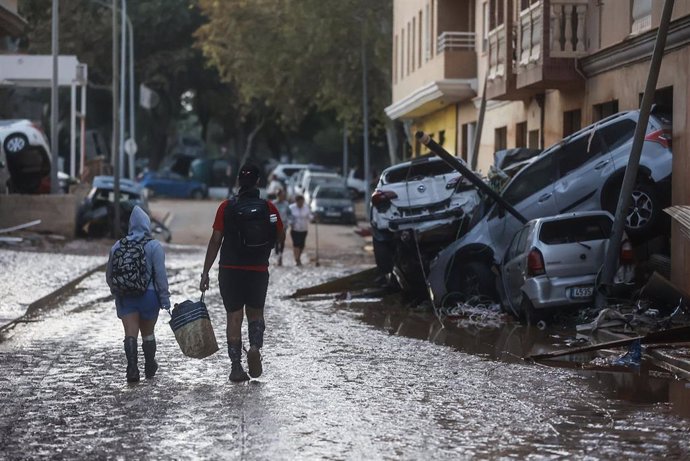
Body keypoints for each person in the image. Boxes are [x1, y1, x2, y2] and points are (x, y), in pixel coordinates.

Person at [200, 163, 285, 382]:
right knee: (255, 314)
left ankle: (236, 367)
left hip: (230, 270)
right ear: (258, 182)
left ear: (239, 182)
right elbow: (279, 231)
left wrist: (205, 272)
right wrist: (272, 247)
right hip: (257, 270)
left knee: (234, 317)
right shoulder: (269, 209)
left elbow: (216, 239)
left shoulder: (226, 207)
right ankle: (255, 346)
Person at [106, 206, 171, 383]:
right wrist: (165, 300)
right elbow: (161, 277)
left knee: (130, 333)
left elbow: (110, 274)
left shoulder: (118, 245)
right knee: (148, 333)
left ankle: (132, 368)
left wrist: (116, 291)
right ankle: (150, 364)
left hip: (126, 297)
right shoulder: (154, 246)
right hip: (149, 297)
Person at [288, 194, 312, 266]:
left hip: (304, 229)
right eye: (300, 202)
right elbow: (288, 217)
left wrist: (314, 218)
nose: (301, 203)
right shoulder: (291, 208)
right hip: (295, 229)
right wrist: (290, 223)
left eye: (302, 202)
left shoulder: (306, 208)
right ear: (297, 201)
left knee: (302, 245)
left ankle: (298, 257)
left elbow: (309, 216)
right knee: (296, 244)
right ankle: (297, 259)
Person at [270, 188, 290, 266]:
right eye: (280, 195)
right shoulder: (273, 203)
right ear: (277, 195)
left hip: (284, 225)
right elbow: (271, 213)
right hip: (275, 225)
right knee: (275, 241)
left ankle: (280, 256)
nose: (281, 197)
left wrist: (290, 221)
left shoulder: (286, 204)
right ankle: (277, 254)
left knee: (282, 240)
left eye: (282, 195)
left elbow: (289, 214)